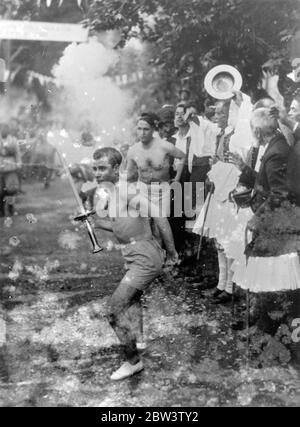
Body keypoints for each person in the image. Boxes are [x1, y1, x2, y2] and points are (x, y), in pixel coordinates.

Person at [90, 147, 178, 380]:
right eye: (95, 168)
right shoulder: (113, 192)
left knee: (113, 310)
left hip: (145, 257)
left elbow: (159, 215)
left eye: (102, 168)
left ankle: (133, 362)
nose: (97, 173)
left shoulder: (125, 191)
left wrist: (172, 252)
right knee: (133, 300)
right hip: (134, 254)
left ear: (116, 168)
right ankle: (138, 341)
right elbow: (121, 225)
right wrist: (97, 223)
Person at [232, 108, 300, 335]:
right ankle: (265, 328)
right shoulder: (276, 146)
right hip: (275, 223)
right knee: (268, 280)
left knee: (270, 281)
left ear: (258, 131)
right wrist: (245, 169)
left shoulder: (276, 152)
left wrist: (257, 219)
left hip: (276, 227)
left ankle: (268, 333)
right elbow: (266, 184)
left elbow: (280, 194)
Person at [0, 124, 22, 217]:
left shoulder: (13, 140)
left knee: (11, 190)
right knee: (0, 191)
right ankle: (1, 210)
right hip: (0, 168)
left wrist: (18, 162)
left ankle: (10, 207)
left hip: (11, 167)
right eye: (2, 129)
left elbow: (17, 153)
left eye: (5, 129)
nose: (4, 131)